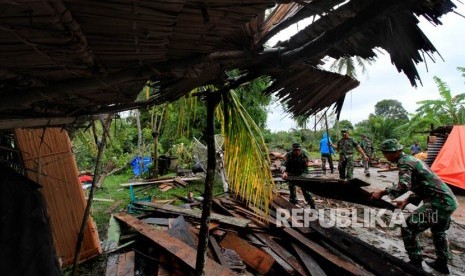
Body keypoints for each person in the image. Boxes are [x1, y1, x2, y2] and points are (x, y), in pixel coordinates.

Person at [371, 139, 458, 274]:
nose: (385, 156)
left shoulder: (404, 163)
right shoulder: (411, 159)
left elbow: (404, 186)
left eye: (387, 153)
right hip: (448, 201)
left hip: (438, 203)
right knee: (439, 232)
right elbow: (421, 185)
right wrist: (406, 201)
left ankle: (415, 263)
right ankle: (442, 263)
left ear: (396, 152)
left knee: (409, 227)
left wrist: (382, 192)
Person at [282, 142, 316, 208]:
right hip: (291, 173)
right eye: (295, 150)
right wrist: (284, 171)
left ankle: (312, 204)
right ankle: (293, 202)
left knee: (305, 189)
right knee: (291, 187)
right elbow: (284, 164)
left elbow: (307, 165)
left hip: (302, 173)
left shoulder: (304, 155)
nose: (296, 151)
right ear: (292, 150)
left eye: (298, 150)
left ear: (300, 149)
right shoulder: (288, 155)